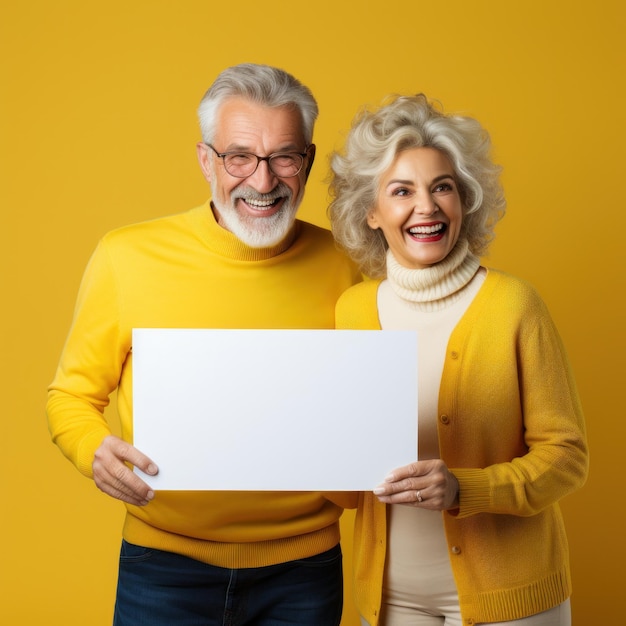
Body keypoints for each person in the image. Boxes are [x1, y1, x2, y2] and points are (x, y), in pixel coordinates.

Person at [47, 63, 360, 626]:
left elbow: (371, 409)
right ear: (204, 160)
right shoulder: (127, 257)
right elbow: (69, 396)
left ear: (307, 161)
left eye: (284, 156)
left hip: (305, 572)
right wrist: (93, 449)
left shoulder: (351, 266)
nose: (263, 182)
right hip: (163, 566)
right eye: (239, 156)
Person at [328, 94, 588, 626]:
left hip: (511, 599)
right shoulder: (352, 311)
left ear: (464, 199)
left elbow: (566, 458)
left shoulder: (514, 304)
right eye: (401, 191)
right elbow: (351, 490)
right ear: (371, 213)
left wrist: (463, 488)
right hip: (392, 600)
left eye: (441, 187)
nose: (426, 207)